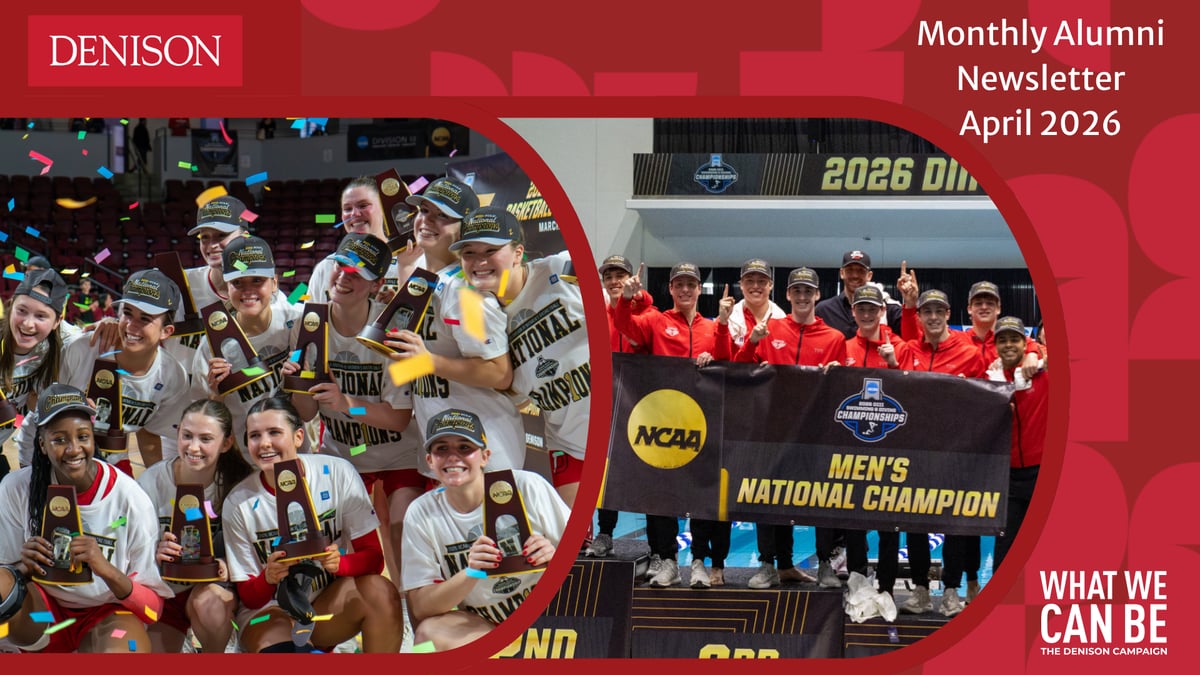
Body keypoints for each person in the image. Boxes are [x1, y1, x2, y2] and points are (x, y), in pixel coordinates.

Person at [283, 233, 419, 602]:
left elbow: (399, 419)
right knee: (331, 537)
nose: (344, 277)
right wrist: (296, 384)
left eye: (358, 274)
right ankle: (342, 613)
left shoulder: (389, 331)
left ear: (377, 284)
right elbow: (307, 412)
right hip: (344, 454)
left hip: (398, 453)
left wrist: (348, 404)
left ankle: (410, 608)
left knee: (401, 527)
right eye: (341, 267)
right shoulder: (308, 324)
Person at [223, 396, 403, 653]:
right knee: (292, 653)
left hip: (324, 607)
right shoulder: (238, 502)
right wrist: (269, 577)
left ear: (298, 437)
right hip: (267, 613)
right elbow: (250, 597)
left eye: (274, 432)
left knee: (380, 591)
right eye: (254, 436)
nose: (264, 443)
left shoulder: (337, 472)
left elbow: (374, 559)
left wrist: (341, 563)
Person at [0, 383, 172, 653]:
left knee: (127, 653)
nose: (73, 449)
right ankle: (14, 650)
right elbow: (5, 578)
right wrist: (23, 566)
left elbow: (153, 610)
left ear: (93, 438)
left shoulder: (130, 498)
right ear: (42, 445)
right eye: (59, 440)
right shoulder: (16, 488)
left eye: (82, 436)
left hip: (105, 613)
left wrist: (105, 568)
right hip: (44, 615)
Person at [383, 181, 526, 482]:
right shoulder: (426, 277)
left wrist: (428, 362)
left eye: (443, 216)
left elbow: (499, 372)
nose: (426, 220)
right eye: (424, 211)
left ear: (463, 230)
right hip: (445, 448)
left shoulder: (464, 293)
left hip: (484, 451)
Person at [448, 206, 589, 508]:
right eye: (469, 253)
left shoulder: (560, 268)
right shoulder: (479, 316)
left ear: (517, 253)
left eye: (491, 250)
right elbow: (511, 390)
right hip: (569, 444)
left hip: (616, 426)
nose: (479, 261)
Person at [401, 408, 569, 651]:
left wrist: (556, 556)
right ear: (430, 461)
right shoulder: (421, 513)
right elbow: (420, 607)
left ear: (485, 456)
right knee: (426, 639)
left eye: (464, 448)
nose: (453, 457)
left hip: (552, 620)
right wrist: (471, 573)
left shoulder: (527, 486)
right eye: (442, 449)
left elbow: (589, 554)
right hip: (487, 627)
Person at [735, 267, 850, 589]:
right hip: (773, 433)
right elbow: (741, 371)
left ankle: (825, 564)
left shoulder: (834, 338)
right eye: (796, 291)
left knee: (823, 499)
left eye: (807, 291)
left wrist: (839, 374)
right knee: (767, 498)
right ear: (787, 295)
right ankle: (771, 565)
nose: (802, 297)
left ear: (817, 295)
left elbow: (843, 392)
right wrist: (751, 343)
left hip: (817, 436)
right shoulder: (769, 329)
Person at [15, 269, 192, 474]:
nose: (131, 326)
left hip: (107, 459)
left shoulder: (172, 376)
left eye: (145, 319)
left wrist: (157, 483)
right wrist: (69, 407)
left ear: (166, 331)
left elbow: (149, 433)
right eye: (127, 313)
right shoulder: (84, 348)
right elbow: (34, 400)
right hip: (48, 452)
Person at [616, 261, 726, 588]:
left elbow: (728, 359)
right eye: (679, 285)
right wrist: (626, 298)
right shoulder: (656, 321)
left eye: (691, 284)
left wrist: (715, 356)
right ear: (671, 289)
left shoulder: (711, 328)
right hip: (662, 425)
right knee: (660, 494)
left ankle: (700, 561)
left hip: (701, 425)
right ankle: (668, 561)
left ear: (699, 289)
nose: (685, 290)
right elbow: (624, 324)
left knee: (702, 496)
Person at [893, 285, 987, 617]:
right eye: (926, 312)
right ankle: (920, 590)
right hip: (916, 454)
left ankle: (950, 591)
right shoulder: (908, 351)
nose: (933, 317)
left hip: (955, 455)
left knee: (955, 523)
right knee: (915, 523)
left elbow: (987, 401)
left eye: (938, 311)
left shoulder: (969, 353)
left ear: (948, 314)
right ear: (919, 317)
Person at [136, 399, 254, 653]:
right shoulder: (151, 482)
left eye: (206, 439)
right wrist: (153, 552)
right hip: (165, 591)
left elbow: (255, 551)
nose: (193, 447)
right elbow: (130, 549)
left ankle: (217, 652)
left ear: (226, 443)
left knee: (209, 605)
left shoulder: (238, 485)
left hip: (212, 590)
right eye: (187, 436)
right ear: (177, 433)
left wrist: (228, 564)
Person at [195, 236, 306, 461]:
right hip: (247, 459)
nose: (248, 290)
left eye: (257, 280)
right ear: (227, 287)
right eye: (237, 283)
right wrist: (216, 393)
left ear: (274, 282)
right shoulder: (212, 346)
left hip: (297, 452)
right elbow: (206, 418)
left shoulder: (296, 320)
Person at [587, 254, 658, 558]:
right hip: (606, 406)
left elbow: (639, 331)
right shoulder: (595, 316)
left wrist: (633, 298)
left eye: (620, 276)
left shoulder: (646, 313)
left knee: (649, 476)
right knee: (606, 472)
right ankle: (604, 533)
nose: (615, 282)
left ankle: (658, 548)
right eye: (609, 277)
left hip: (642, 406)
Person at [843, 284, 905, 603]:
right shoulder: (843, 348)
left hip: (891, 452)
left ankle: (887, 588)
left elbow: (915, 392)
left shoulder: (899, 347)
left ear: (883, 311)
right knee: (854, 523)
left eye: (872, 309)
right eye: (861, 309)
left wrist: (894, 365)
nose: (867, 314)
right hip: (853, 452)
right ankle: (857, 584)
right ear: (853, 312)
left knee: (889, 526)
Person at [165, 195, 251, 371]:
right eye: (204, 237)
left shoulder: (263, 292)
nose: (212, 245)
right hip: (178, 387)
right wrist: (111, 323)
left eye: (222, 235)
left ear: (245, 236)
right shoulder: (175, 285)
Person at [988, 317, 1047, 570]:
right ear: (995, 346)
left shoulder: (1044, 372)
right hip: (1008, 476)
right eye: (1003, 340)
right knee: (1005, 546)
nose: (1008, 345)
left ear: (1025, 343)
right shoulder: (990, 379)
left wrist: (1036, 351)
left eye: (1015, 339)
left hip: (1042, 472)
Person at [307, 176, 420, 305]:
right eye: (347, 209)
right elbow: (310, 315)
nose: (354, 214)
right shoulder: (325, 267)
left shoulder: (414, 260)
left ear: (384, 209)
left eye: (363, 205)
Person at [1, 270, 69, 466]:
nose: (28, 324)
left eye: (40, 316)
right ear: (11, 306)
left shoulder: (52, 349)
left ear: (57, 321)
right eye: (22, 311)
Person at [815, 250, 903, 339]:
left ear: (869, 275)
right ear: (842, 273)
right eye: (849, 270)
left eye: (861, 271)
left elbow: (908, 339)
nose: (855, 276)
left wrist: (909, 302)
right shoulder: (824, 310)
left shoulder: (887, 308)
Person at [715, 258, 786, 358]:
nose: (755, 286)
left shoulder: (781, 317)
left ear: (770, 285)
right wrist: (723, 322)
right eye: (749, 281)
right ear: (741, 285)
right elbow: (721, 359)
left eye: (761, 281)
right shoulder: (729, 317)